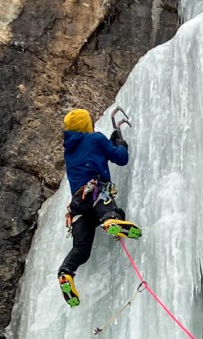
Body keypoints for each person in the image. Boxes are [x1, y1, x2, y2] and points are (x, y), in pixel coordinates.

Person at [56, 108, 141, 307]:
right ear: (87, 124)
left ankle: (66, 273)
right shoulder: (95, 138)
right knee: (109, 210)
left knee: (80, 249)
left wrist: (108, 143)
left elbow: (91, 155)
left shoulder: (69, 150)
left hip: (78, 206)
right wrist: (120, 144)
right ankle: (111, 221)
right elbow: (121, 158)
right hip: (95, 192)